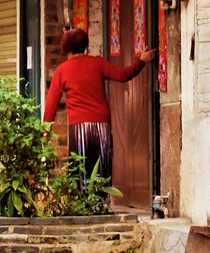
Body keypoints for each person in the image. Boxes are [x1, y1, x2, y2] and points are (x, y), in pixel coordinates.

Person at [43, 28, 155, 184]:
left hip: (79, 126)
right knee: (101, 165)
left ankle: (83, 202)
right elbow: (123, 75)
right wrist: (141, 61)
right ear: (85, 45)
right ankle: (102, 201)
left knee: (81, 168)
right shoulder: (98, 63)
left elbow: (51, 103)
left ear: (65, 48)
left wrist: (46, 130)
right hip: (101, 123)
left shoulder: (62, 70)